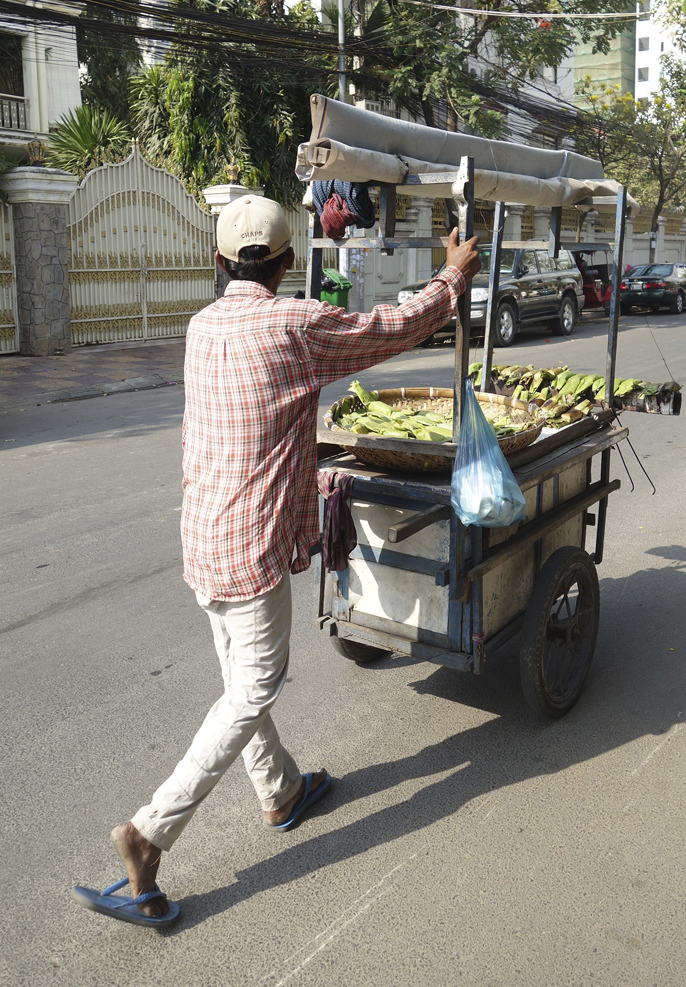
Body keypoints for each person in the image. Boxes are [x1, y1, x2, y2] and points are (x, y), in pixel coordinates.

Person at [74, 193, 480, 927]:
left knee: (239, 680)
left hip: (201, 534)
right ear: (289, 262)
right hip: (253, 540)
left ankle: (283, 791)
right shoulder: (296, 323)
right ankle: (148, 834)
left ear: (218, 262)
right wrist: (451, 277)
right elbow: (390, 327)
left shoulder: (199, 327)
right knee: (254, 689)